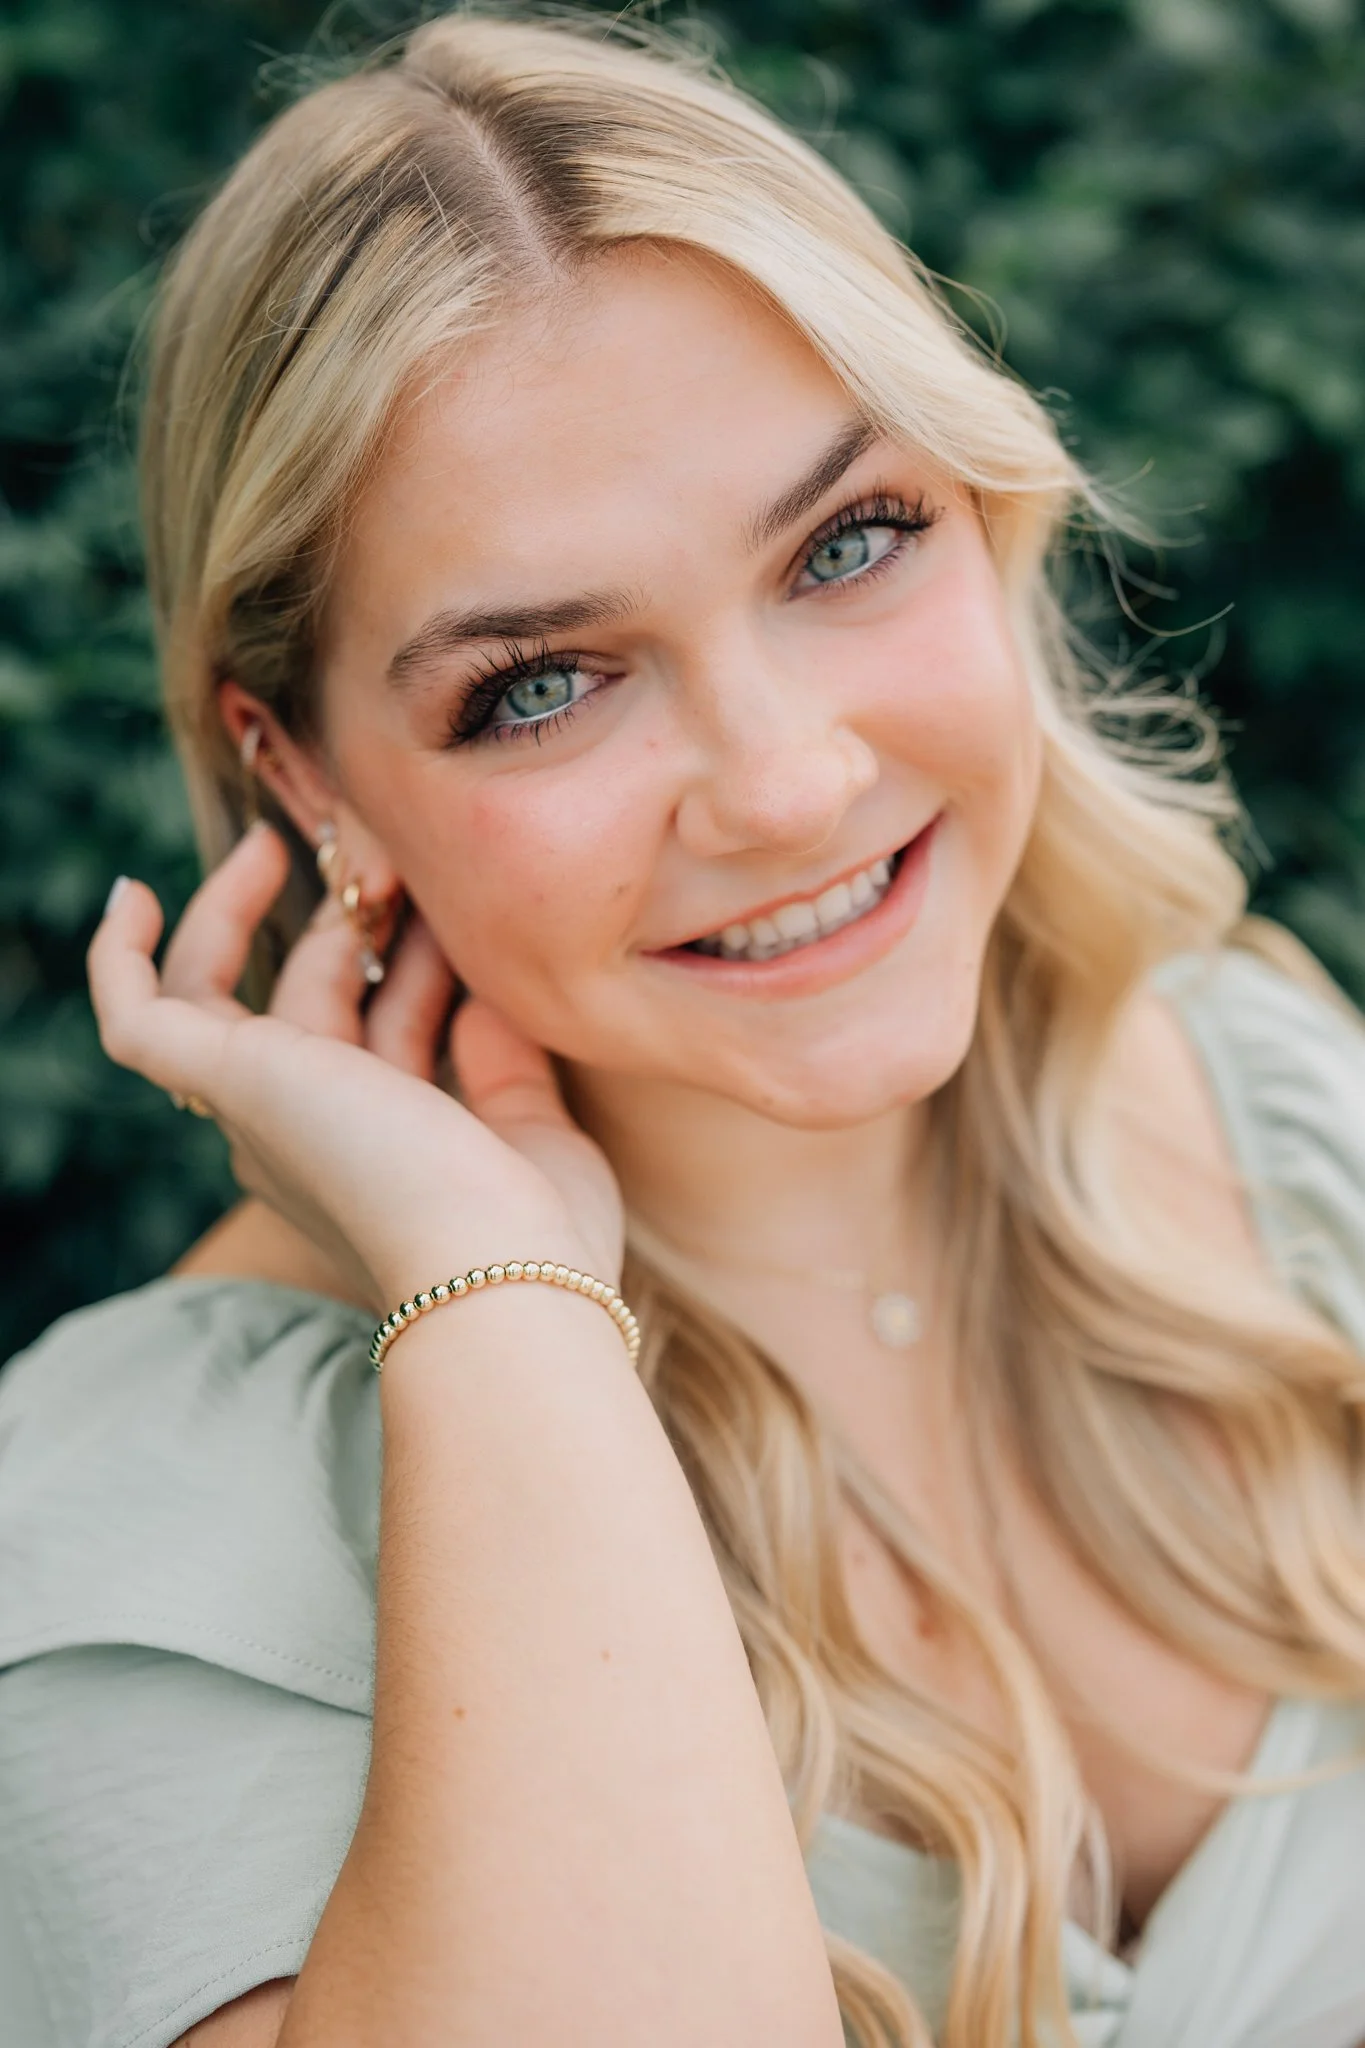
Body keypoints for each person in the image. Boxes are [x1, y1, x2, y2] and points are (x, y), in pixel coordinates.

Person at [2, 9, 1364, 2046]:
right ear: (307, 779)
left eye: (847, 542)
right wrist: (508, 1305)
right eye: (541, 683)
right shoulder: (137, 1549)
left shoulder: (1269, 1105)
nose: (787, 783)